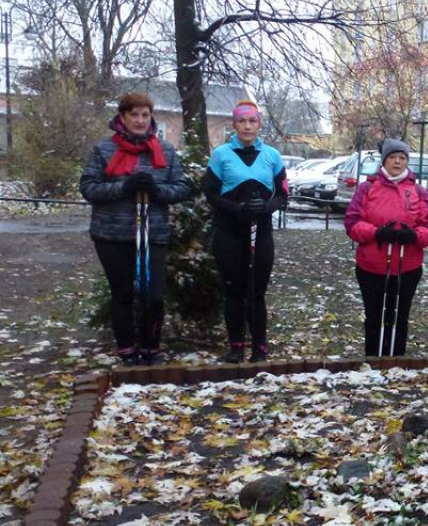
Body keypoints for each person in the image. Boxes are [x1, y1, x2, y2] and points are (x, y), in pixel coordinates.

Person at [80, 92, 191, 366]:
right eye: (134, 115)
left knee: (153, 296)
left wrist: (156, 190)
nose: (140, 120)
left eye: (145, 115)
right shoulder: (104, 150)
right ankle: (127, 349)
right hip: (112, 234)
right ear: (122, 117)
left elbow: (182, 187)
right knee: (123, 294)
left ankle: (151, 348)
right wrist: (123, 187)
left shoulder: (165, 150)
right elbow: (89, 187)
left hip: (153, 233)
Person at [202, 100, 288, 363]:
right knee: (234, 291)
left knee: (256, 291)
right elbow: (211, 193)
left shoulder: (272, 155)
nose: (247, 126)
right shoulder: (221, 154)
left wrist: (266, 207)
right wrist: (236, 209)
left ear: (259, 124)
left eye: (252, 121)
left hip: (259, 232)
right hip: (229, 231)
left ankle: (259, 347)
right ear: (234, 124)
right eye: (242, 121)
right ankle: (236, 345)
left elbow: (283, 194)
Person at [344, 138, 428, 356]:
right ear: (384, 161)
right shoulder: (367, 189)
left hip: (407, 265)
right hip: (372, 265)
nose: (397, 162)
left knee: (399, 315)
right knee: (374, 314)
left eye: (402, 157)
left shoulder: (418, 191)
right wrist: (376, 232)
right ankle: (373, 356)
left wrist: (414, 235)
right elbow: (352, 222)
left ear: (407, 161)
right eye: (393, 157)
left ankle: (397, 357)